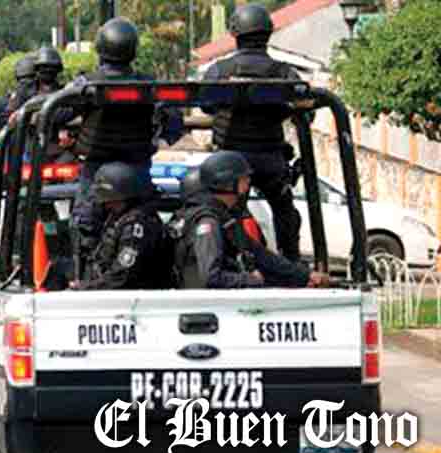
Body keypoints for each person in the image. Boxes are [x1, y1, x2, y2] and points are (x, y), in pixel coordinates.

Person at [57, 17, 184, 279]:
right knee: (148, 224)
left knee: (83, 225)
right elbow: (174, 120)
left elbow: (57, 112)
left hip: (96, 170)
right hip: (138, 170)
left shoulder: (86, 84)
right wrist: (160, 141)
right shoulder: (148, 85)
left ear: (100, 49)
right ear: (133, 50)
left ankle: (83, 277)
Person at [201, 3, 302, 262]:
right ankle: (290, 259)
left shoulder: (219, 71)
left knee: (223, 213)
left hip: (230, 161)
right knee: (285, 210)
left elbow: (206, 105)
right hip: (271, 159)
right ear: (267, 33)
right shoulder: (283, 72)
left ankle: (228, 259)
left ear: (235, 34)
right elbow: (302, 106)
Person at [171, 151, 329, 289]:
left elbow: (263, 257)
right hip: (210, 307)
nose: (248, 182)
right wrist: (250, 280)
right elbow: (211, 278)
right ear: (228, 183)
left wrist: (305, 276)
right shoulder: (208, 222)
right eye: (243, 178)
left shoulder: (224, 218)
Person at [70, 162, 172, 290]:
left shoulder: (136, 225)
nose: (105, 205)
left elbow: (123, 274)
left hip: (133, 298)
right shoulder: (117, 218)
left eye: (108, 201)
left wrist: (87, 288)